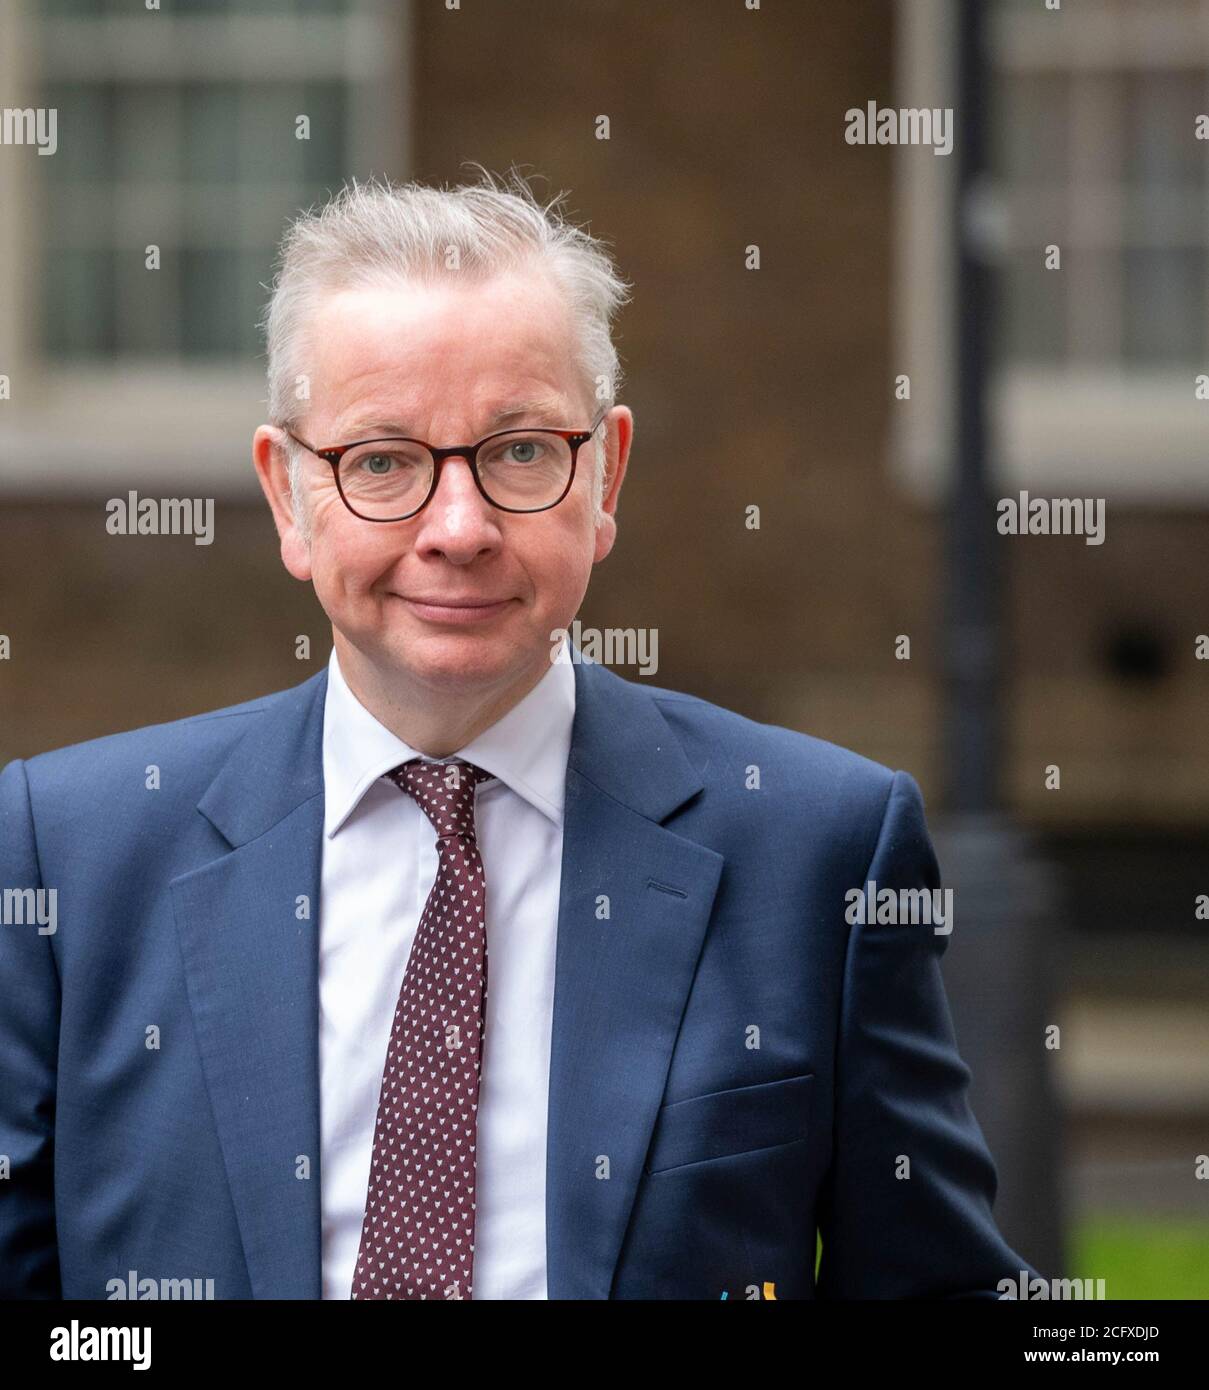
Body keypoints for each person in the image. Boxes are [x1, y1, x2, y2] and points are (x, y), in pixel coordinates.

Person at [0, 169, 1038, 1300]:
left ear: (607, 475)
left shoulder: (819, 849)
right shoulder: (69, 855)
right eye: (383, 459)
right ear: (289, 495)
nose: (459, 528)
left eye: (522, 452)